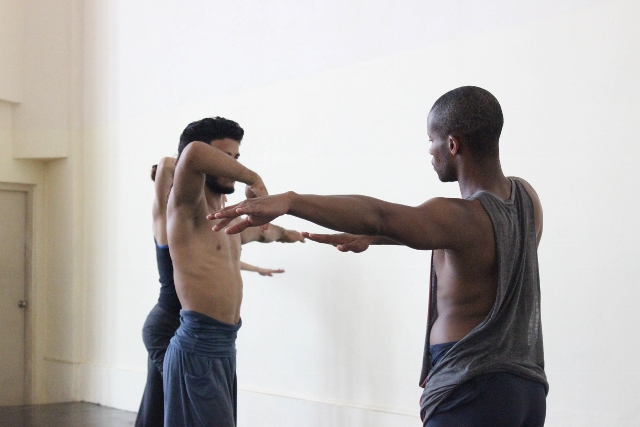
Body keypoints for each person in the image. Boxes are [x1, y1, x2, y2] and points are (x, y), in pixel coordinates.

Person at [211, 87, 548, 426]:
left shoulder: (460, 216)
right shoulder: (525, 198)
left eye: (431, 140)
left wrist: (291, 201)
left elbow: (380, 215)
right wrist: (374, 237)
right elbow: (476, 244)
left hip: (472, 387)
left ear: (452, 145)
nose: (429, 151)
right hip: (526, 391)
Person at [163, 117, 305, 427]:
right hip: (197, 347)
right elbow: (193, 154)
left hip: (224, 347)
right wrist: (253, 177)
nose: (231, 165)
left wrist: (288, 233)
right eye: (224, 157)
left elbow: (260, 233)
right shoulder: (186, 207)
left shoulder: (226, 215)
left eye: (236, 158)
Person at [135, 159, 292, 427]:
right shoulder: (165, 221)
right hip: (166, 326)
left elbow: (223, 259)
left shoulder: (196, 231)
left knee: (161, 401)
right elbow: (166, 164)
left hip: (182, 326)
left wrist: (259, 266)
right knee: (171, 398)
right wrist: (198, 164)